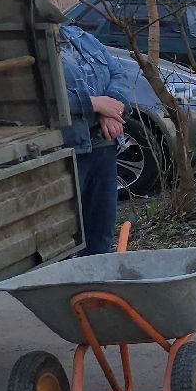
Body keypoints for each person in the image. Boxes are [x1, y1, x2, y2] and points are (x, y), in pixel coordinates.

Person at [57, 22, 134, 256]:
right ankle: (72, 290)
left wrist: (110, 106)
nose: (50, 7)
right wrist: (94, 104)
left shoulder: (79, 36)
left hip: (102, 147)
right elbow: (40, 96)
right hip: (68, 152)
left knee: (100, 232)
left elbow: (118, 73)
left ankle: (99, 289)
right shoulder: (30, 47)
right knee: (67, 238)